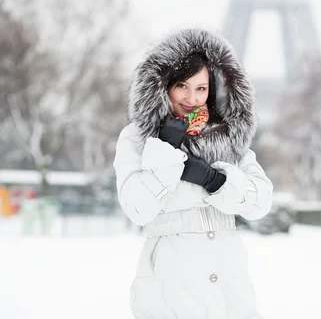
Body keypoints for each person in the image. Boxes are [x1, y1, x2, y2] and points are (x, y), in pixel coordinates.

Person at [114, 28, 273, 318]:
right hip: (170, 289)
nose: (191, 97)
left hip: (229, 290)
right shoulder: (136, 138)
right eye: (182, 86)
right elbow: (136, 208)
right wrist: (164, 152)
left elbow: (260, 201)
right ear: (163, 86)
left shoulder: (228, 137)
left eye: (201, 88)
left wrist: (218, 182)